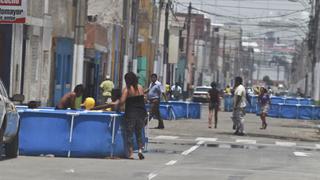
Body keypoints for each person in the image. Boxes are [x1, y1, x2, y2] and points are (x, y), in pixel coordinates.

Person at [114, 72, 147, 160]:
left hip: (131, 113)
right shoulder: (140, 87)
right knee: (139, 133)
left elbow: (122, 101)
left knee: (129, 133)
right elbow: (144, 99)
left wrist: (117, 104)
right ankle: (140, 150)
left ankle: (131, 153)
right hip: (141, 112)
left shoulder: (127, 89)